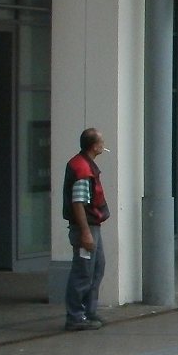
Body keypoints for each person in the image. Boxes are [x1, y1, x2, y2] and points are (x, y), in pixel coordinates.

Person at [63, 128, 110, 332]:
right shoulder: (82, 169)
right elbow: (78, 203)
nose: (103, 145)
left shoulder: (85, 165)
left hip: (92, 226)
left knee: (97, 267)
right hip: (86, 227)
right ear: (94, 146)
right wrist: (85, 232)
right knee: (83, 272)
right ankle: (75, 316)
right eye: (101, 142)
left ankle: (88, 312)